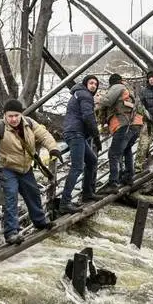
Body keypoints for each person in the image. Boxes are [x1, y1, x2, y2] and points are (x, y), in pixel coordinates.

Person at [0, 99, 60, 245]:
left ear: (21, 114)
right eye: (10, 116)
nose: (14, 119)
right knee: (11, 197)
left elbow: (44, 136)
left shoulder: (29, 123)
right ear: (4, 115)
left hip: (26, 167)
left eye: (16, 115)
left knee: (33, 193)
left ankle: (40, 222)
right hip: (7, 168)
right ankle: (11, 233)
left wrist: (53, 149)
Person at [59, 75, 101, 214]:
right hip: (75, 133)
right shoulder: (85, 95)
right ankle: (64, 203)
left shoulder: (79, 93)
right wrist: (96, 136)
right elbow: (88, 116)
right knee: (77, 167)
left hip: (75, 132)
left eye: (96, 84)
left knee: (92, 160)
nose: (93, 86)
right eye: (91, 83)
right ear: (85, 84)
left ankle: (87, 193)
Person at [97, 74, 144, 193]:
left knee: (113, 154)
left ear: (111, 82)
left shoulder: (117, 87)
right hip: (136, 124)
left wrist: (97, 99)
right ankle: (128, 177)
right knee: (127, 150)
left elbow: (107, 101)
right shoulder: (128, 90)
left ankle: (113, 183)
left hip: (124, 124)